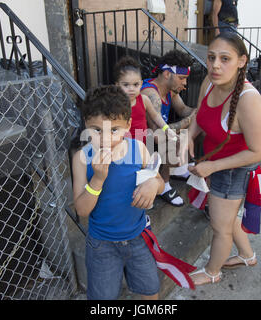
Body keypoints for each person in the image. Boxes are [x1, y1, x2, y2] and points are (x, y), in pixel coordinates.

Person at [186, 33, 261, 285]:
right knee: (228, 218)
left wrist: (213, 166)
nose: (215, 66)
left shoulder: (248, 100)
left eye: (225, 59)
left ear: (242, 61)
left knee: (220, 227)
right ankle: (247, 255)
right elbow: (200, 114)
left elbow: (259, 151)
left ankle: (212, 272)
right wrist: (189, 136)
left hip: (232, 169)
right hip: (215, 163)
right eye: (211, 58)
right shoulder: (209, 83)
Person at [72, 85, 164, 300]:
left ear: (128, 126)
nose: (105, 139)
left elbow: (158, 180)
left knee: (150, 290)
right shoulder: (81, 159)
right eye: (96, 130)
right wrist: (97, 179)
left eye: (114, 130)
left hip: (138, 237)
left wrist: (152, 184)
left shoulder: (138, 149)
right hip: (102, 245)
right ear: (85, 124)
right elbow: (82, 209)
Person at [141, 49, 196, 207]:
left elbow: (183, 110)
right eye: (182, 78)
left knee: (195, 125)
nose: (185, 83)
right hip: (142, 140)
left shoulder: (171, 90)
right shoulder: (151, 93)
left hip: (158, 135)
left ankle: (179, 169)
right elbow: (157, 134)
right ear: (167, 74)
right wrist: (189, 120)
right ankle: (164, 184)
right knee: (169, 138)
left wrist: (199, 112)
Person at [113, 55, 177, 144]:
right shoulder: (115, 105)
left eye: (135, 84)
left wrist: (167, 129)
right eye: (126, 85)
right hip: (123, 147)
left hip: (142, 146)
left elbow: (155, 116)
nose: (131, 89)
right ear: (117, 85)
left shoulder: (144, 100)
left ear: (141, 83)